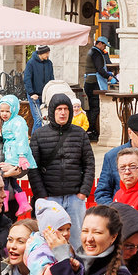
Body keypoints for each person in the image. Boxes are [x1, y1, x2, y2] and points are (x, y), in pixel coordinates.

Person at [29, 92, 95, 239]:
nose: (63, 113)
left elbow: (89, 164)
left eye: (66, 109)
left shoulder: (80, 134)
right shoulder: (39, 135)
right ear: (52, 111)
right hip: (50, 197)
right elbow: (33, 168)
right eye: (59, 109)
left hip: (75, 197)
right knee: (50, 240)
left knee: (77, 241)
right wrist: (42, 194)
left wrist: (83, 192)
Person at [83, 37, 114, 143]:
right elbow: (100, 69)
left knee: (93, 108)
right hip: (94, 83)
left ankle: (91, 129)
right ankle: (91, 130)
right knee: (95, 108)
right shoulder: (96, 53)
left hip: (89, 82)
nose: (104, 48)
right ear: (100, 43)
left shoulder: (92, 51)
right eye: (104, 45)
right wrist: (110, 77)